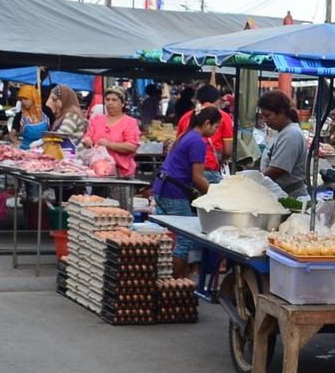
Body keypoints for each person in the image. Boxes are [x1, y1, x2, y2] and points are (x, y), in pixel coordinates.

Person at [154, 106, 218, 278]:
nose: (215, 131)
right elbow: (197, 178)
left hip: (162, 188)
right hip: (173, 193)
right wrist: (216, 198)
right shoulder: (197, 141)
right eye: (215, 127)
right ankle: (176, 285)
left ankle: (170, 281)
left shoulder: (186, 135)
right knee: (184, 240)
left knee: (172, 239)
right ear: (207, 123)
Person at [257, 90, 309, 197]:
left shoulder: (291, 134)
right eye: (263, 116)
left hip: (290, 197)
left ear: (281, 112)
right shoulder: (282, 132)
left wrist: (254, 182)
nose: (265, 120)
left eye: (267, 115)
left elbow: (276, 170)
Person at [176, 85, 235, 182]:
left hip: (186, 170)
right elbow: (227, 151)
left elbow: (178, 145)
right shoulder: (224, 117)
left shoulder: (185, 117)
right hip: (210, 168)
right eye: (216, 127)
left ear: (198, 100)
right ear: (217, 100)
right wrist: (220, 162)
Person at [82, 87, 141, 178]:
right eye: (107, 99)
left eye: (114, 100)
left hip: (121, 174)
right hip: (98, 172)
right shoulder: (96, 120)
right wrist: (87, 141)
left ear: (123, 103)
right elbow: (88, 137)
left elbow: (132, 146)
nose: (110, 103)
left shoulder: (130, 123)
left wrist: (109, 144)